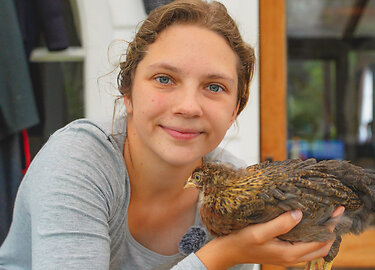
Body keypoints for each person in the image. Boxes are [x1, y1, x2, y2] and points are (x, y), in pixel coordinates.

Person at [0, 0, 344, 269]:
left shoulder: (237, 192)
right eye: (164, 79)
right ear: (128, 94)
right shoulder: (77, 163)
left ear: (235, 110)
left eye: (214, 86)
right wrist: (223, 254)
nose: (188, 106)